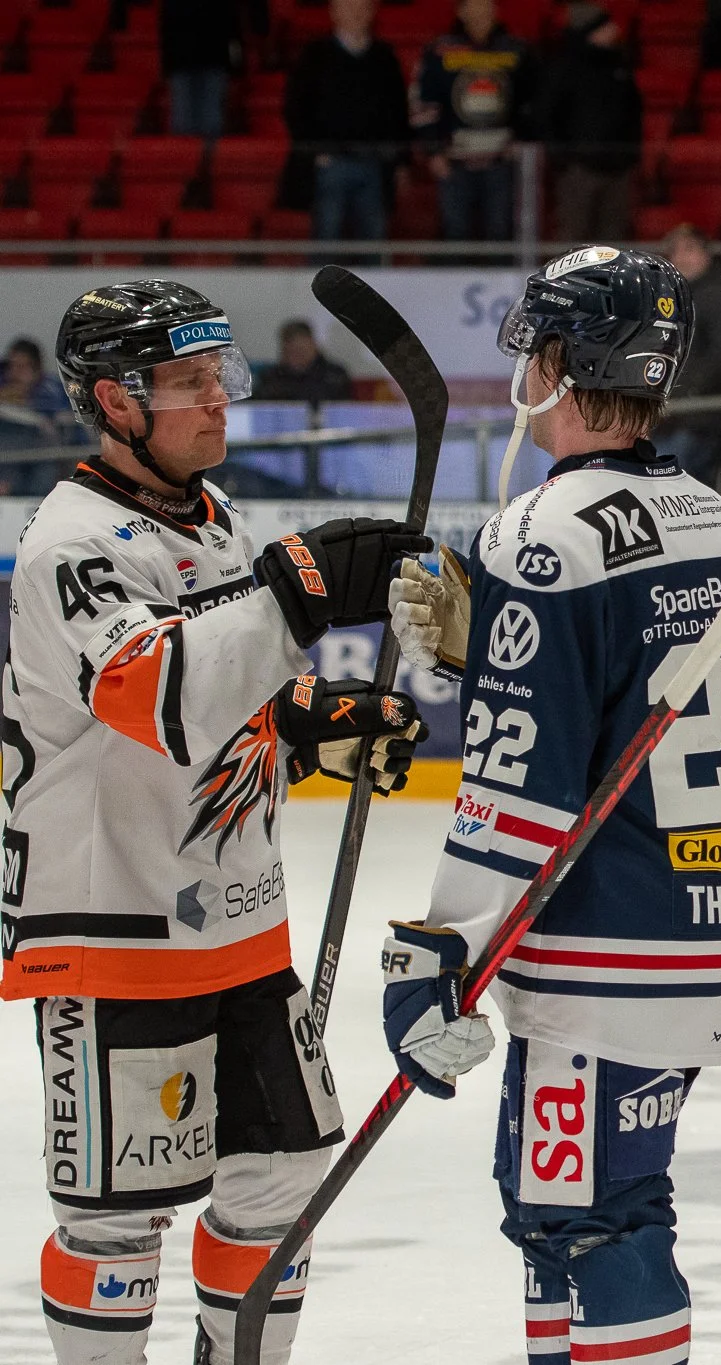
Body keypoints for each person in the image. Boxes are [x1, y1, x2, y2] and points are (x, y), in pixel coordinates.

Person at [6, 279, 428, 1364]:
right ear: (116, 400)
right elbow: (156, 695)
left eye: (218, 375)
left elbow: (233, 699)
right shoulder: (71, 545)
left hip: (235, 924)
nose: (216, 400)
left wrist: (311, 723)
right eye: (187, 382)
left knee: (284, 1181)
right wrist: (296, 592)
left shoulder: (214, 517)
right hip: (116, 927)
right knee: (117, 1226)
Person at [382, 245, 721, 1365]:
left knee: (594, 1221)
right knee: (562, 1215)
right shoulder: (707, 513)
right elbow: (614, 700)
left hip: (598, 950)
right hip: (692, 917)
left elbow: (518, 783)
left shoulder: (542, 532)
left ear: (558, 359)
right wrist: (490, 658)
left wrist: (443, 945)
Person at [284, 0, 411, 243]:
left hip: (374, 163)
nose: (356, 13)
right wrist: (315, 152)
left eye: (363, 7)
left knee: (374, 240)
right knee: (327, 237)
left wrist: (402, 161)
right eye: (349, 6)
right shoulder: (314, 55)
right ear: (334, 11)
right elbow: (295, 108)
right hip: (330, 164)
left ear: (372, 12)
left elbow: (398, 113)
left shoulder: (385, 57)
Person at [411, 0, 534, 244]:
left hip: (501, 161)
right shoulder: (440, 50)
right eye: (475, 5)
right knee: (455, 233)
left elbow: (532, 102)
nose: (482, 12)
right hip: (454, 161)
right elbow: (423, 101)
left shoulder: (516, 50)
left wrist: (521, 140)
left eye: (487, 5)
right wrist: (433, 150)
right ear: (461, 11)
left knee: (500, 232)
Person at [651, 223, 721, 492]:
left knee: (673, 486)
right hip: (670, 419)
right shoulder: (668, 300)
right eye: (674, 251)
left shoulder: (714, 296)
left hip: (699, 419)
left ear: (706, 255)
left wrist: (684, 396)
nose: (681, 257)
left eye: (689, 249)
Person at [537, 4, 641, 241]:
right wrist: (562, 159)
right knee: (574, 237)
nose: (614, 30)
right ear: (591, 32)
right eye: (606, 26)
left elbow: (634, 112)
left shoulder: (620, 65)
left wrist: (631, 157)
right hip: (578, 170)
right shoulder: (563, 68)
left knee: (614, 240)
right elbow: (546, 116)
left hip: (618, 169)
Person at [161, 0, 267, 139]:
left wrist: (237, 67)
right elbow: (167, 31)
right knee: (184, 122)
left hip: (212, 65)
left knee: (209, 122)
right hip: (185, 65)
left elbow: (233, 34)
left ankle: (207, 151)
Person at [252, 319, 355, 403]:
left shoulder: (334, 375)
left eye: (300, 350)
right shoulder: (270, 377)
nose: (295, 356)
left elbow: (342, 409)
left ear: (313, 345)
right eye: (290, 351)